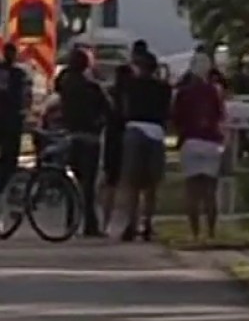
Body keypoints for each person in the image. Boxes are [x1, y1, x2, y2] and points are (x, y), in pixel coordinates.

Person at [53, 47, 111, 237]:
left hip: (70, 135)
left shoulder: (66, 84)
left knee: (71, 181)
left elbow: (57, 85)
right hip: (90, 138)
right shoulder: (92, 88)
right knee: (88, 184)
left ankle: (70, 222)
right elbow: (110, 109)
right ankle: (90, 224)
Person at [116, 50, 171, 241]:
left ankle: (131, 223)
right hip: (155, 132)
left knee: (132, 183)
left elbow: (124, 109)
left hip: (134, 129)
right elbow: (167, 112)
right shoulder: (164, 88)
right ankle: (147, 224)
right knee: (151, 184)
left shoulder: (130, 86)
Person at [172, 52, 227, 242]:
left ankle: (195, 233)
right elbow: (220, 116)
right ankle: (211, 232)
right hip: (212, 141)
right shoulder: (215, 90)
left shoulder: (183, 93)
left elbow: (176, 119)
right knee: (210, 192)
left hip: (190, 141)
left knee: (192, 192)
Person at [0, 42, 31, 187]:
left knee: (1, 149)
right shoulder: (19, 73)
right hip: (12, 116)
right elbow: (25, 96)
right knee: (11, 151)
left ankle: (0, 180)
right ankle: (6, 180)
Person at [99, 59, 136, 234]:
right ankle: (131, 222)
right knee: (130, 183)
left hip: (112, 138)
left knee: (110, 182)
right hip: (130, 136)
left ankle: (105, 223)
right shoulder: (134, 94)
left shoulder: (110, 94)